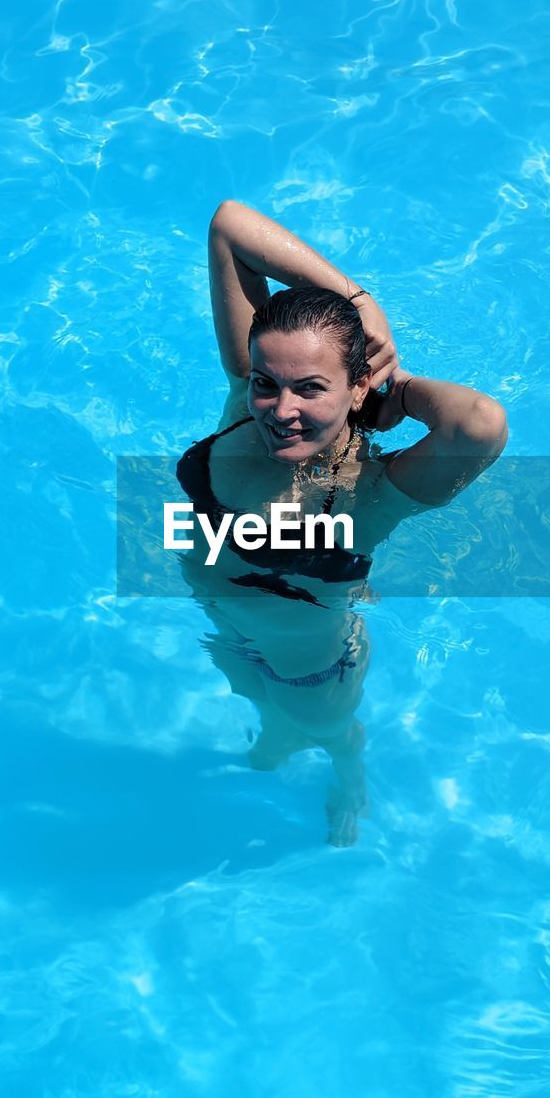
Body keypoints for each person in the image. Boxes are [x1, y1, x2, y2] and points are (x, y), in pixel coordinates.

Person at [177, 200, 508, 846]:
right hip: (229, 627)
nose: (281, 409)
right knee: (256, 702)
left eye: (311, 389)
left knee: (324, 729)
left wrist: (398, 389)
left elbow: (481, 425)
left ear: (357, 388)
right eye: (268, 383)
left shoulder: (369, 494)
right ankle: (279, 735)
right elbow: (228, 225)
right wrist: (359, 299)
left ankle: (349, 772)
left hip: (308, 667)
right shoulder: (241, 402)